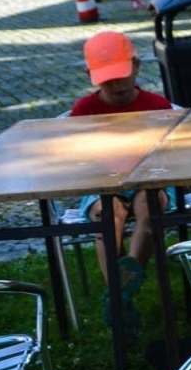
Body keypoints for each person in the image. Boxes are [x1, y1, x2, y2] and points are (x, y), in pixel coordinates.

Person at [69, 30, 173, 332]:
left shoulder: (156, 105)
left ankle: (119, 293)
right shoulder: (83, 112)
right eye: (106, 77)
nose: (115, 83)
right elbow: (76, 158)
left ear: (137, 67)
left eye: (120, 75)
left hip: (150, 180)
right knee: (107, 215)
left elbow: (172, 154)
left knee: (149, 207)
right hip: (103, 183)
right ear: (91, 75)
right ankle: (121, 293)